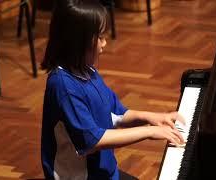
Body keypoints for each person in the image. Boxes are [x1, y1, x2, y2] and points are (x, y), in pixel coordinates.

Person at [40, 0, 185, 179]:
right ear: (78, 40)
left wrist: (153, 117)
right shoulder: (63, 86)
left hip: (105, 173)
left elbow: (116, 113)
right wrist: (149, 131)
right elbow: (92, 140)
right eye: (100, 37)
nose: (105, 43)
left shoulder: (87, 70)